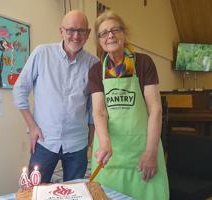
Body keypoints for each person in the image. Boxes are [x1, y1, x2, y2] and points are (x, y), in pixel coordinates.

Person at [88, 11, 169, 200]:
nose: (110, 36)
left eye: (115, 30)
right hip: (110, 155)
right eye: (104, 33)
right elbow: (99, 112)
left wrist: (151, 152)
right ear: (99, 40)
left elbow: (155, 109)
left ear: (124, 34)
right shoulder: (96, 70)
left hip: (143, 151)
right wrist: (105, 142)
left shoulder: (143, 63)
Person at [12, 10, 99, 183]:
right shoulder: (41, 54)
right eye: (70, 30)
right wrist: (32, 126)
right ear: (61, 31)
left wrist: (91, 134)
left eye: (81, 31)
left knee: (74, 193)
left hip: (77, 144)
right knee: (34, 191)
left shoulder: (94, 64)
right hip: (44, 141)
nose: (76, 36)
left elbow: (92, 104)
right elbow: (19, 90)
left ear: (88, 34)